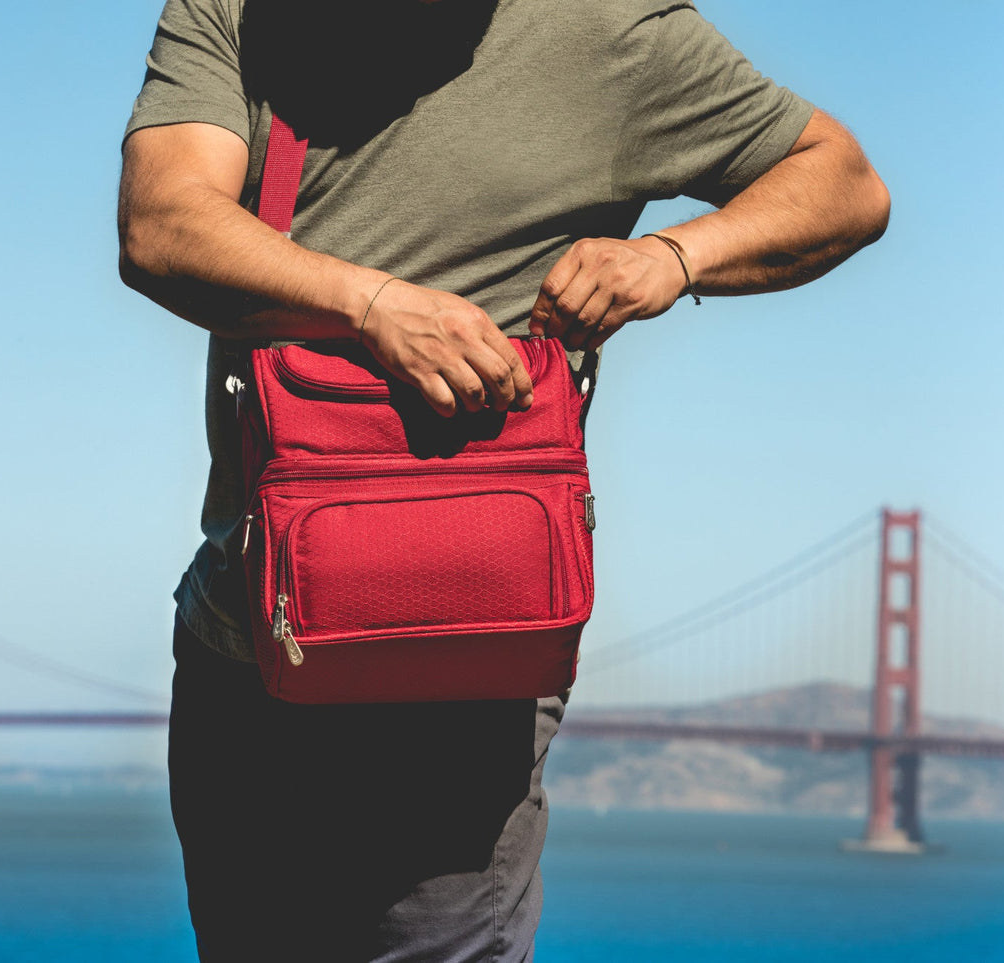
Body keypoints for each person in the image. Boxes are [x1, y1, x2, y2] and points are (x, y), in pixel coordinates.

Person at [117, 0, 889, 959]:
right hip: (250, 635)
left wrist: (673, 257)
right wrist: (370, 305)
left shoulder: (610, 28)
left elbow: (845, 183)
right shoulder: (240, 10)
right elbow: (161, 223)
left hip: (465, 668)